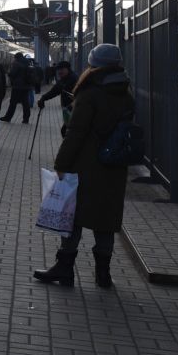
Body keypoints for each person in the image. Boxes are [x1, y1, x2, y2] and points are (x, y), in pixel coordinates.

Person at [34, 43, 134, 289]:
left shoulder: (90, 93)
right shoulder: (126, 94)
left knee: (73, 218)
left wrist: (61, 163)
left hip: (84, 166)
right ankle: (103, 275)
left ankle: (64, 269)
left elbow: (76, 133)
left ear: (93, 65)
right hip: (113, 167)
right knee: (105, 220)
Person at [36, 60, 77, 130]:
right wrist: (43, 98)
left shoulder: (74, 79)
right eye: (58, 70)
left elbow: (80, 97)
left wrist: (71, 106)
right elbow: (54, 91)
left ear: (68, 69)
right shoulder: (64, 79)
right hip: (67, 110)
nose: (59, 72)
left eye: (62, 69)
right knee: (66, 131)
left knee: (68, 132)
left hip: (75, 110)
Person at [2, 53, 39, 123]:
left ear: (17, 57)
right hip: (26, 86)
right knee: (25, 103)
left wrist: (9, 73)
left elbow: (13, 74)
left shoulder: (17, 63)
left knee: (13, 102)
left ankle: (8, 117)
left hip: (17, 86)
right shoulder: (28, 63)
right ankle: (26, 119)